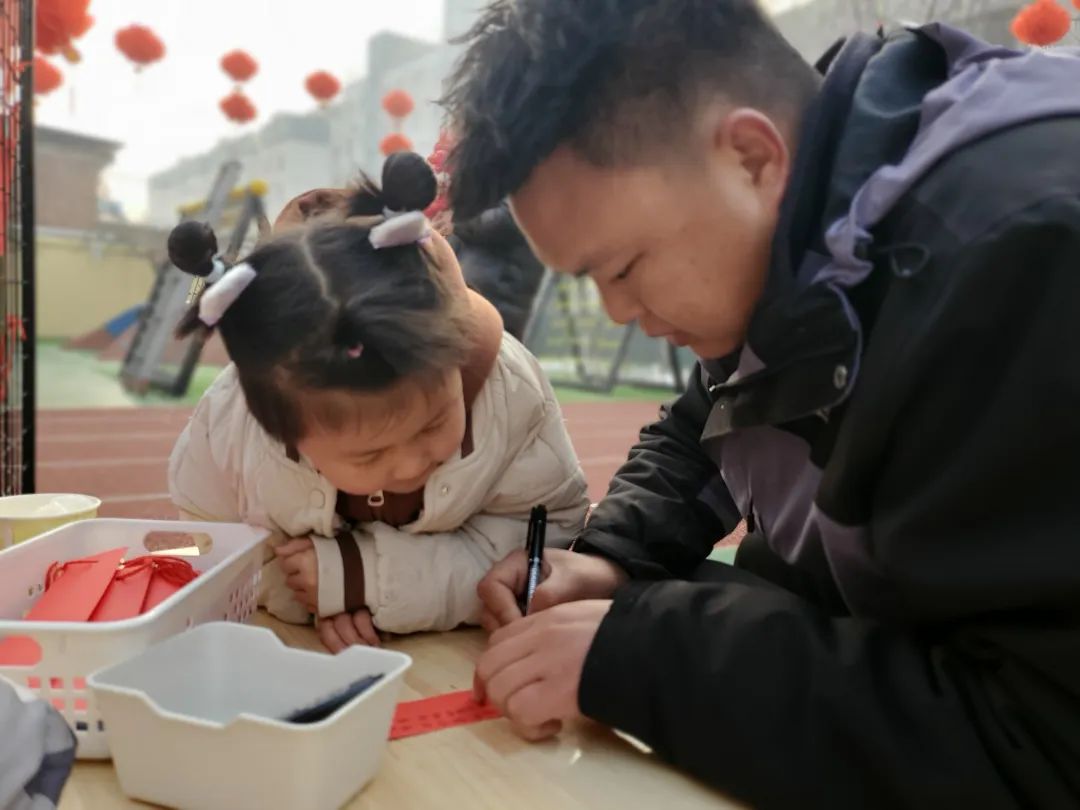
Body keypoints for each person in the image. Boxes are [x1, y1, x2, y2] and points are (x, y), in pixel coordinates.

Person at [443, 1, 1080, 807]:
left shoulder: (1020, 260)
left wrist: (650, 657)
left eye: (624, 268)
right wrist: (612, 556)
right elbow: (712, 417)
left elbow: (1035, 738)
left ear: (751, 155)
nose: (616, 311)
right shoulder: (818, 221)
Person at [167, 152, 589, 652]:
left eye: (434, 423)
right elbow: (211, 544)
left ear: (457, 352)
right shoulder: (232, 424)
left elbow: (548, 533)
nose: (412, 463)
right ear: (279, 431)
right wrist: (310, 595)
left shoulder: (509, 395)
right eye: (369, 455)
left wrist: (364, 580)